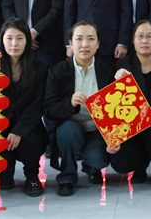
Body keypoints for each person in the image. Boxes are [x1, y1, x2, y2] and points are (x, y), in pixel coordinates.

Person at [0, 18, 49, 197]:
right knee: (1, 180)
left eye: (20, 38)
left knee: (31, 143)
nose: (14, 43)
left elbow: (37, 104)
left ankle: (32, 175)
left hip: (27, 126)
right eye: (9, 38)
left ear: (27, 41)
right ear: (2, 40)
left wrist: (19, 131)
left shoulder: (39, 68)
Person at [107, 20, 151, 195]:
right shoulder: (122, 65)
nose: (144, 41)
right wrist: (117, 84)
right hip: (133, 123)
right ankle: (140, 166)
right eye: (140, 37)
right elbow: (113, 105)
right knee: (120, 163)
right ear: (133, 40)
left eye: (149, 37)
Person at [44, 21, 115, 196]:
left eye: (90, 39)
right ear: (70, 43)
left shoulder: (108, 70)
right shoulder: (57, 71)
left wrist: (115, 136)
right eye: (79, 39)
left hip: (97, 129)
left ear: (98, 44)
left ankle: (91, 167)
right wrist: (70, 103)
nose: (85, 44)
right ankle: (67, 176)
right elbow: (49, 110)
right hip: (71, 126)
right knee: (68, 130)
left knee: (97, 158)